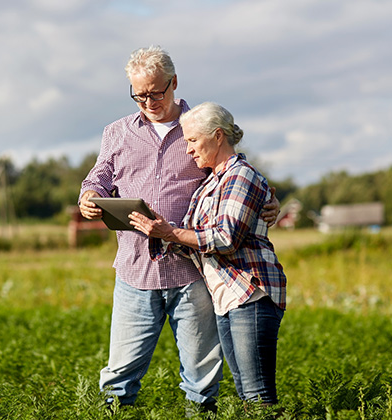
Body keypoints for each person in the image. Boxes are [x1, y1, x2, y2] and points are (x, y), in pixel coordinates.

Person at [79, 46, 280, 414]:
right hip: (135, 270)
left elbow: (237, 173)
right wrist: (89, 195)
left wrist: (271, 201)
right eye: (139, 95)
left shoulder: (198, 126)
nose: (149, 101)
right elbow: (100, 176)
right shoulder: (117, 132)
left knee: (202, 378)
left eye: (156, 92)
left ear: (174, 83)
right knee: (119, 376)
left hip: (194, 272)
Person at [129, 101, 287, 408]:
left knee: (257, 395)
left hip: (250, 293)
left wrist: (169, 233)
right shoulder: (210, 183)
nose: (188, 150)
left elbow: (225, 238)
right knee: (246, 392)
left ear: (217, 136)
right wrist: (153, 228)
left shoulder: (241, 176)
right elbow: (194, 237)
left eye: (192, 140)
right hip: (227, 298)